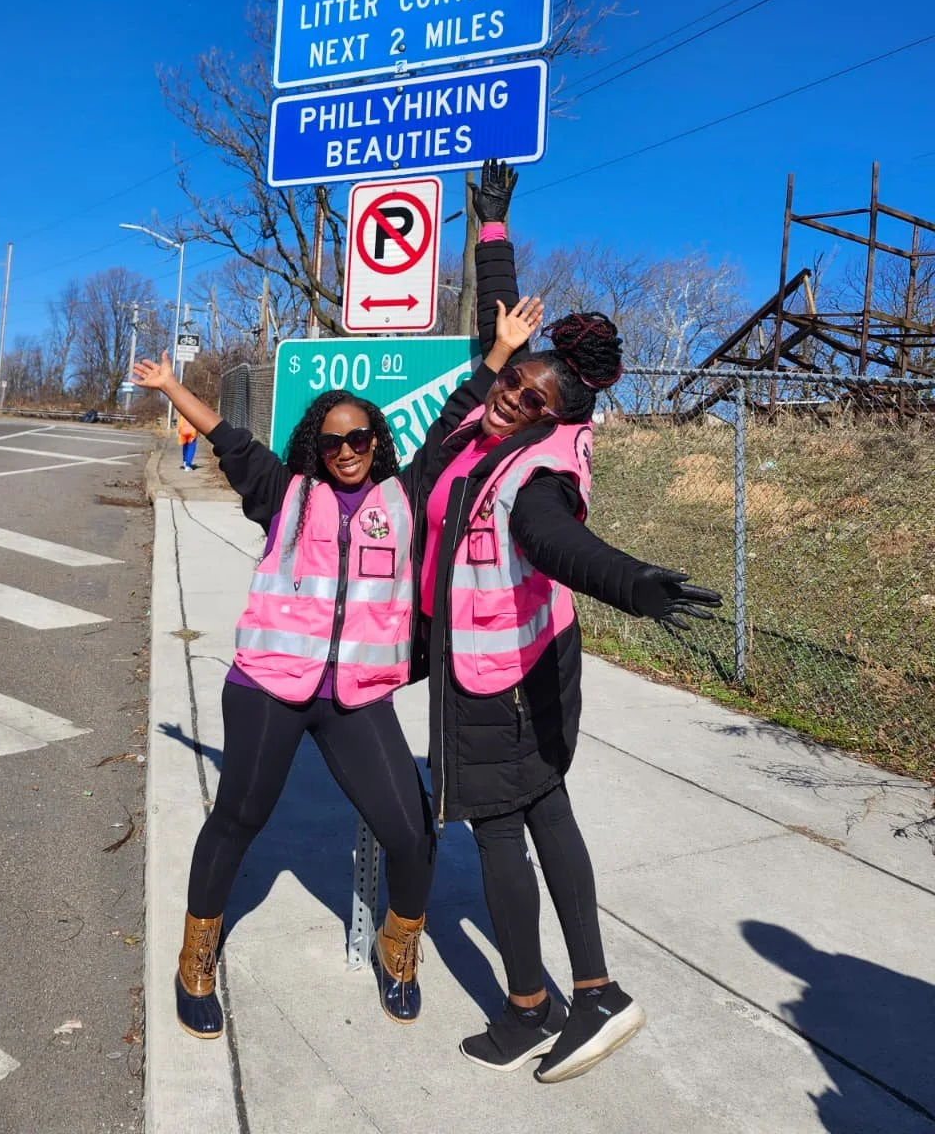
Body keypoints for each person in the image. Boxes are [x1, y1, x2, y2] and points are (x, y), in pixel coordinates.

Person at [133, 272, 544, 1043]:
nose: (349, 450)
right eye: (334, 442)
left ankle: (399, 945)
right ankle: (196, 957)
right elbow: (226, 436)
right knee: (239, 818)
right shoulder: (283, 492)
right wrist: (168, 387)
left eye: (361, 439)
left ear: (377, 444)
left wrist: (500, 351)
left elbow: (456, 423)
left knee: (413, 831)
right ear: (316, 448)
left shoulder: (404, 496)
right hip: (268, 688)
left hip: (356, 696)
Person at [418, 164, 723, 1085]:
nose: (510, 398)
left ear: (562, 416)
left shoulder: (538, 471)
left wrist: (634, 584)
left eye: (529, 401)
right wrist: (495, 233)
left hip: (502, 672)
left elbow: (554, 542)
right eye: (510, 388)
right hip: (512, 658)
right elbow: (498, 340)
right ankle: (571, 994)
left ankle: (551, 1004)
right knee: (540, 810)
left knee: (503, 827)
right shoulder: (494, 416)